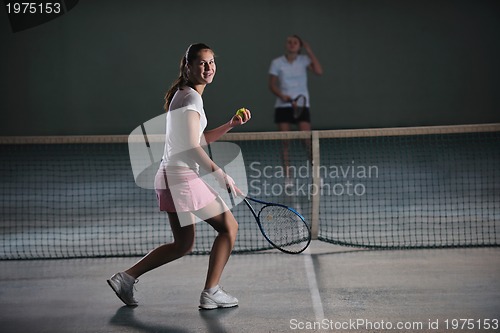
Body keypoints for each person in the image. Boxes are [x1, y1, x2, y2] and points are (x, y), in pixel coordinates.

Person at [107, 43, 251, 310]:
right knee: (229, 228)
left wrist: (230, 125)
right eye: (201, 63)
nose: (208, 68)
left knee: (183, 244)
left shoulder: (184, 94)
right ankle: (211, 291)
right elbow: (191, 148)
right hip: (181, 179)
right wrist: (220, 174)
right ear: (188, 66)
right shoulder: (191, 98)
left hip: (168, 178)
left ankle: (126, 278)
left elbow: (197, 139)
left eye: (211, 62)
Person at [268, 35, 322, 181]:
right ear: (286, 45)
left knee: (308, 140)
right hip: (283, 106)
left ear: (300, 45)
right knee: (285, 142)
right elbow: (272, 85)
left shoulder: (304, 60)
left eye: (295, 42)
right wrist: (282, 95)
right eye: (289, 42)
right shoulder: (277, 63)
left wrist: (309, 50)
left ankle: (316, 176)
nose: (292, 44)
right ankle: (288, 178)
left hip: (302, 105)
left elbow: (318, 71)